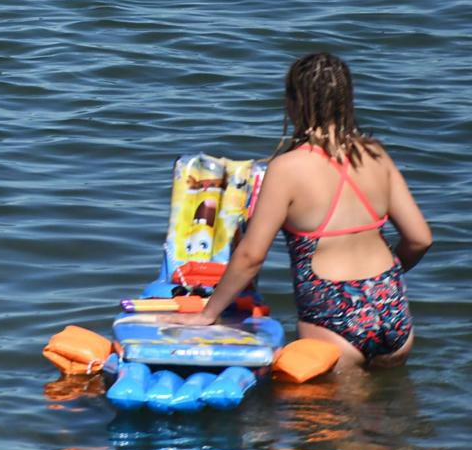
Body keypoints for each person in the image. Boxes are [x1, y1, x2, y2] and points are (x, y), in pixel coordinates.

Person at [176, 53, 430, 370]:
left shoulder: (287, 169)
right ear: (346, 100)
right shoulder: (376, 155)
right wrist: (379, 286)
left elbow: (251, 257)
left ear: (295, 103)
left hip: (333, 318)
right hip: (392, 308)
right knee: (388, 412)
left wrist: (208, 314)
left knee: (329, 416)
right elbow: (420, 239)